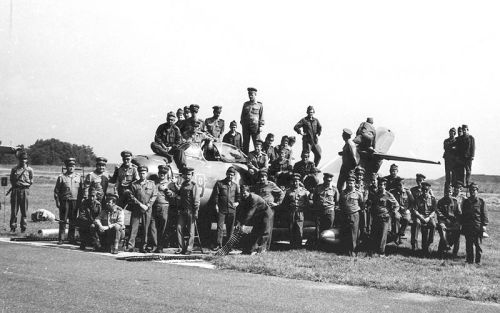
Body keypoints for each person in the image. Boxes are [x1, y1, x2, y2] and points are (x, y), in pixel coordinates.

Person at [126, 166, 158, 253]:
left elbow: (154, 196)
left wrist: (148, 205)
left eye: (143, 173)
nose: (142, 174)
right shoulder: (134, 184)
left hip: (147, 209)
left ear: (146, 173)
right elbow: (131, 196)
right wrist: (140, 204)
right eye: (140, 173)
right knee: (133, 227)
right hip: (137, 208)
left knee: (145, 228)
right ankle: (130, 246)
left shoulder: (152, 184)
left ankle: (143, 246)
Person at [209, 167, 240, 251]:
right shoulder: (220, 183)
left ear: (234, 176)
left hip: (231, 209)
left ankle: (228, 246)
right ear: (226, 174)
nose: (230, 176)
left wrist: (237, 202)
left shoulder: (235, 185)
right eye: (229, 174)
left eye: (232, 175)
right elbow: (215, 195)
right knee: (220, 227)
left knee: (230, 228)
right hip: (221, 209)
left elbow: (238, 196)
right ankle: (218, 244)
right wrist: (216, 205)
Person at [235, 185, 273, 254]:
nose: (243, 195)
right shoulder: (243, 198)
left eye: (245, 193)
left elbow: (250, 212)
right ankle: (249, 250)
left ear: (249, 192)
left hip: (266, 214)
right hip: (258, 215)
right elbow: (242, 211)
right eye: (242, 193)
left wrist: (243, 224)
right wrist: (239, 222)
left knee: (264, 232)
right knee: (255, 232)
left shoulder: (254, 198)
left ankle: (261, 250)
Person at [252, 169, 285, 248]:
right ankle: (256, 245)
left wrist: (277, 203)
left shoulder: (271, 185)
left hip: (269, 209)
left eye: (263, 177)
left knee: (267, 227)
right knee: (258, 226)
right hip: (259, 209)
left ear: (266, 177)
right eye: (260, 177)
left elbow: (281, 193)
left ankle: (265, 246)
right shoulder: (257, 185)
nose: (262, 179)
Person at [54, 158, 82, 244]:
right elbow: (56, 191)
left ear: (75, 167)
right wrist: (58, 202)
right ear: (66, 167)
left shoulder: (78, 177)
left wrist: (81, 203)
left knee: (73, 220)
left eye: (73, 166)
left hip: (75, 201)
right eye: (69, 166)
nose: (71, 168)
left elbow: (81, 191)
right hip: (64, 201)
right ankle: (61, 238)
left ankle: (71, 238)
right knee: (63, 220)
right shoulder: (61, 177)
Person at [368, 177, 399, 256]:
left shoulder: (388, 195)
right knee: (374, 234)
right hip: (376, 216)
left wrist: (391, 213)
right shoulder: (376, 194)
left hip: (384, 217)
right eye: (379, 185)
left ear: (385, 186)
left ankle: (381, 252)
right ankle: (373, 251)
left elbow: (396, 205)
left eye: (382, 185)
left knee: (383, 236)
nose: (381, 186)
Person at [461, 183, 488, 264]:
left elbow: (484, 214)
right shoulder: (466, 201)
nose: (472, 192)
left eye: (474, 190)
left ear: (477, 191)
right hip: (468, 226)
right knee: (468, 245)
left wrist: (484, 225)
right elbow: (463, 214)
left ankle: (478, 261)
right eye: (471, 190)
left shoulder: (481, 202)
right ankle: (469, 260)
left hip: (477, 226)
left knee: (478, 245)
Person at [282, 174, 311, 248]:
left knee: (299, 228)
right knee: (291, 228)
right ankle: (292, 244)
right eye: (294, 181)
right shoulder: (288, 191)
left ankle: (299, 245)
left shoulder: (304, 191)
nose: (295, 183)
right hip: (291, 212)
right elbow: (285, 203)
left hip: (300, 212)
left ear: (299, 182)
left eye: (297, 181)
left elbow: (307, 203)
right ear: (292, 182)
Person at [176, 167, 200, 255]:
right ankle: (181, 248)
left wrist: (196, 211)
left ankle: (189, 249)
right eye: (185, 174)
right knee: (179, 228)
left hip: (191, 210)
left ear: (192, 175)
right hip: (182, 210)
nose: (187, 176)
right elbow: (179, 197)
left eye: (189, 174)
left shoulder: (194, 186)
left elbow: (196, 200)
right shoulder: (182, 185)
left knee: (191, 231)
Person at [151, 165, 174, 253]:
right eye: (160, 173)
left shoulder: (170, 183)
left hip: (164, 207)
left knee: (163, 227)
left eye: (164, 173)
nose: (162, 175)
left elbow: (174, 195)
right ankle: (154, 245)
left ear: (166, 174)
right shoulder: (154, 183)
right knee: (153, 227)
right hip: (154, 206)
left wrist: (168, 191)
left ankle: (160, 246)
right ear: (158, 173)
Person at [9, 151, 34, 233]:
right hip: (16, 190)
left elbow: (31, 180)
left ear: (27, 160)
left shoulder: (29, 170)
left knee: (24, 210)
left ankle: (23, 227)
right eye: (22, 159)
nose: (23, 160)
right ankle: (13, 227)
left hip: (25, 190)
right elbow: (11, 180)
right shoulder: (14, 169)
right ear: (19, 160)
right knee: (14, 210)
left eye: (25, 159)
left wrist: (26, 186)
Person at [339, 176, 364, 256]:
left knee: (354, 233)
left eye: (351, 183)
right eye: (348, 183)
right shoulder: (343, 192)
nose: (349, 184)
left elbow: (362, 204)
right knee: (345, 231)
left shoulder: (358, 193)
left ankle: (353, 251)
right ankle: (345, 250)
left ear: (354, 183)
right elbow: (340, 203)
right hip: (344, 214)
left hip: (354, 214)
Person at [312, 173, 339, 239]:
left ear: (331, 180)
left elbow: (337, 200)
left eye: (329, 180)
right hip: (319, 210)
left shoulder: (334, 189)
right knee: (318, 227)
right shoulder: (318, 188)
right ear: (324, 179)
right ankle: (318, 244)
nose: (327, 182)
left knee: (329, 227)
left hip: (329, 211)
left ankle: (327, 245)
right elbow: (314, 199)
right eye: (326, 180)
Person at [436, 186, 461, 256]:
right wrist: (445, 219)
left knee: (457, 230)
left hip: (453, 222)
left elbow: (458, 213)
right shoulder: (440, 202)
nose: (448, 193)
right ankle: (446, 244)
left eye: (449, 192)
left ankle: (455, 252)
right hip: (443, 221)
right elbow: (438, 213)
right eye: (446, 192)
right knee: (442, 228)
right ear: (444, 192)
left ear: (452, 192)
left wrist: (456, 221)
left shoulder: (455, 202)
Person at [413, 182, 437, 255]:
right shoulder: (418, 199)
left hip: (429, 217)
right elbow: (415, 210)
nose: (425, 191)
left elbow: (434, 211)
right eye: (423, 190)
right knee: (417, 223)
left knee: (433, 225)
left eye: (426, 190)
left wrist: (428, 218)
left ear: (429, 190)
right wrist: (421, 218)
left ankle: (429, 242)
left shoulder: (433, 199)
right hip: (420, 216)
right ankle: (415, 245)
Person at [240, 87, 264, 154]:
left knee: (256, 144)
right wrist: (243, 124)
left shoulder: (259, 105)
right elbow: (242, 116)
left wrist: (260, 126)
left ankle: (256, 159)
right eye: (249, 94)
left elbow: (261, 116)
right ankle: (245, 159)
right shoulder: (245, 104)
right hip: (246, 127)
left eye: (252, 94)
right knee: (245, 144)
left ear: (255, 94)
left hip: (255, 128)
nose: (250, 96)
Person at [390, 178, 414, 244]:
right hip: (397, 210)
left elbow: (413, 203)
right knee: (396, 217)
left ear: (404, 185)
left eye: (401, 185)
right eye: (398, 185)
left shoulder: (408, 192)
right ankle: (397, 237)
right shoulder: (393, 192)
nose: (400, 187)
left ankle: (400, 233)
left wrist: (409, 210)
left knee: (407, 219)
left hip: (405, 211)